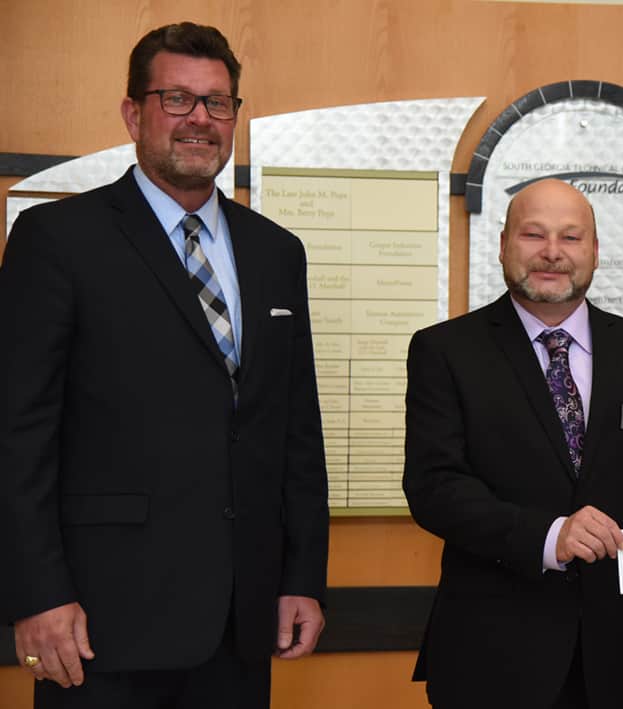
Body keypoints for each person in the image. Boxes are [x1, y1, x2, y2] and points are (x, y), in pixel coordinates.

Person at [0, 22, 328, 708]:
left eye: (218, 102)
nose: (200, 119)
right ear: (133, 113)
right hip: (99, 624)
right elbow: (17, 434)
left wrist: (301, 576)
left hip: (240, 625)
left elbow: (294, 429)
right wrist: (37, 593)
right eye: (176, 99)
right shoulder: (57, 241)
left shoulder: (276, 252)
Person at [402, 178, 623, 708]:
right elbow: (434, 489)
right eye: (533, 235)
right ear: (502, 245)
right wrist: (549, 536)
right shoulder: (446, 351)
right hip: (487, 660)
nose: (551, 253)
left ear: (595, 252)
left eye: (571, 237)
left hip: (614, 662)